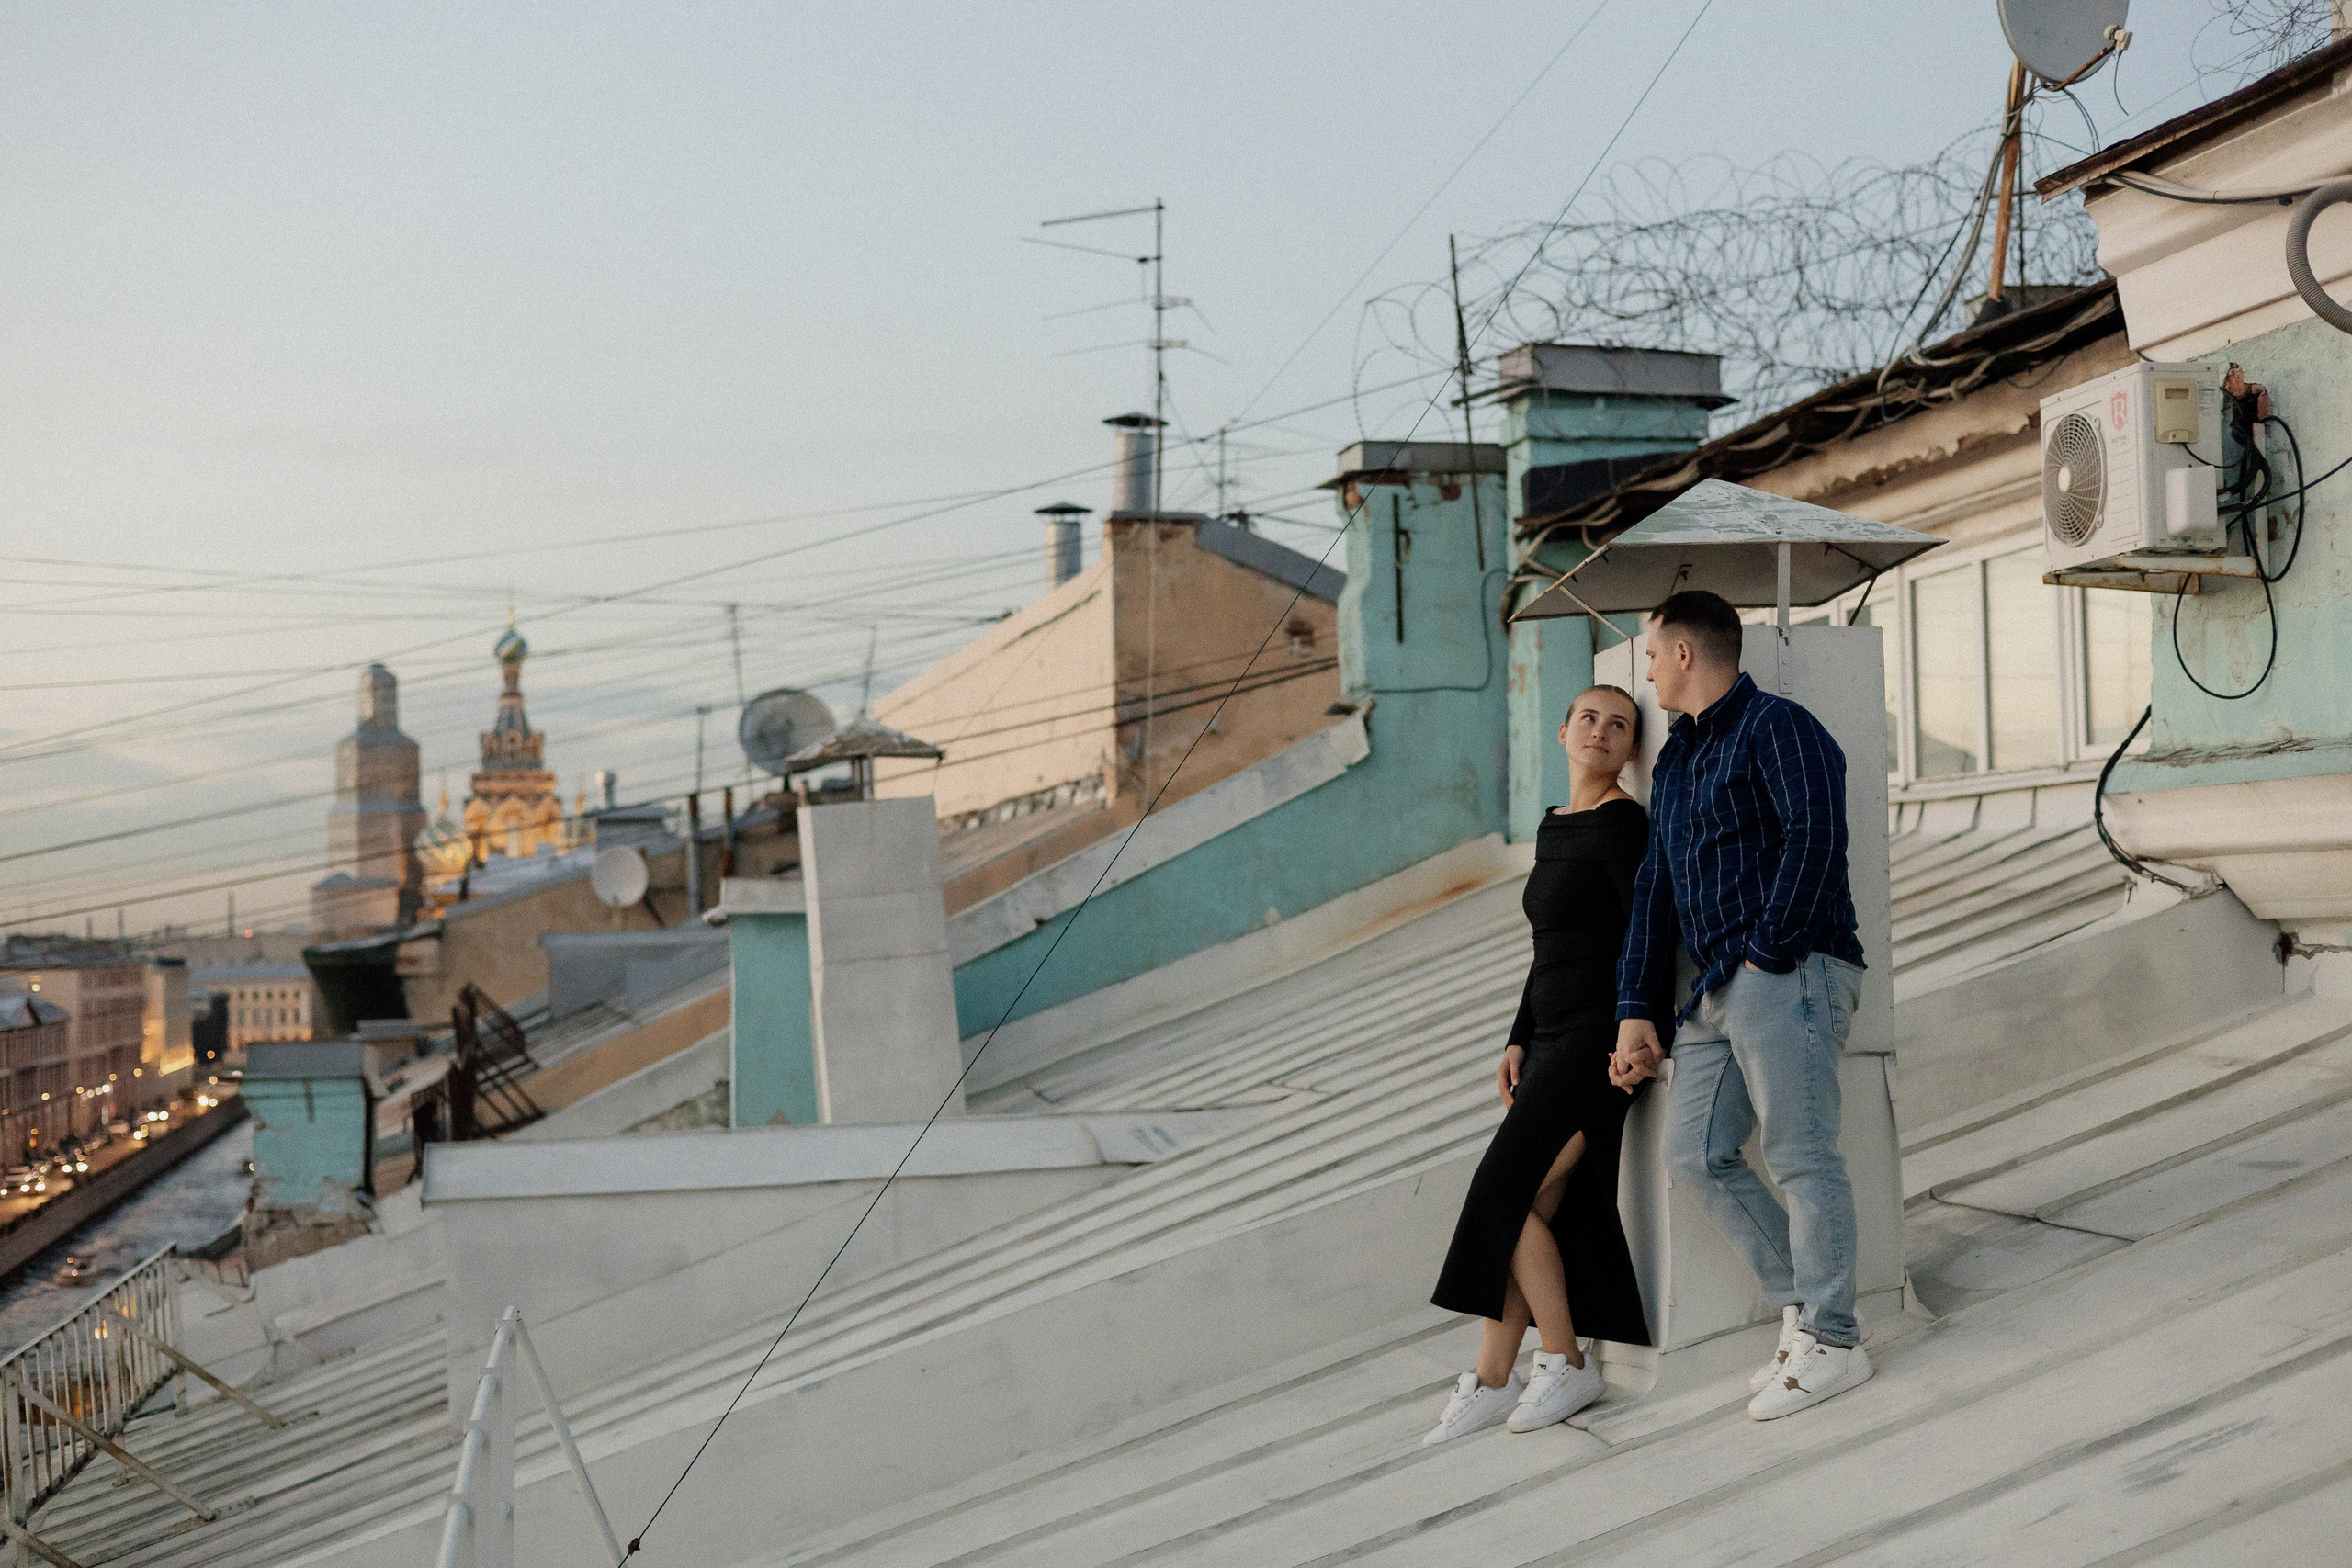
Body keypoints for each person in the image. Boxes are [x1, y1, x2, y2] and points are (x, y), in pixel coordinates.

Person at [1608, 589, 1872, 1422]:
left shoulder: (1777, 727)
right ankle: (1801, 1309)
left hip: (1784, 968)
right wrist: (1635, 1006)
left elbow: (1816, 835)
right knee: (1693, 1153)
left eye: (1650, 653)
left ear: (1685, 652)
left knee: (1800, 1153)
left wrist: (1766, 952)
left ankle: (1836, 1336)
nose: (1645, 671)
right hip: (1712, 990)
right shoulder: (1679, 757)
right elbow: (1656, 886)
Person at [1422, 685, 1661, 1445]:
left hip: (1596, 1043)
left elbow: (1648, 932)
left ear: (1629, 749)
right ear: (1562, 732)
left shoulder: (1624, 823)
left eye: (1618, 724)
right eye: (1588, 717)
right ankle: (1495, 1378)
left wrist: (1638, 1027)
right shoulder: (1555, 825)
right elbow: (1547, 948)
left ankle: (1563, 1361)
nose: (1601, 730)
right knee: (1529, 1208)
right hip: (1551, 1036)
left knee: (1504, 1191)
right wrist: (1516, 1034)